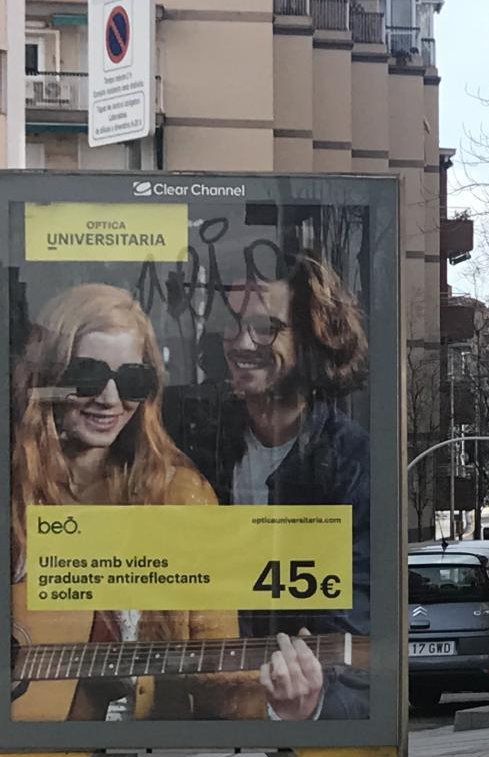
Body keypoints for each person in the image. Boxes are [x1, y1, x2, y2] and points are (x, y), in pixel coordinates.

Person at [9, 285, 311, 721]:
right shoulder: (13, 488)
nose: (110, 400)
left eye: (133, 380)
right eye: (88, 375)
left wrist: (280, 703)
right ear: (49, 377)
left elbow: (215, 669)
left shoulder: (179, 498)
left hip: (144, 752)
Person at [175, 256, 372, 719]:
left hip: (286, 710)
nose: (242, 343)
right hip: (198, 703)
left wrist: (309, 699)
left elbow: (354, 632)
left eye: (266, 328)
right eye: (232, 324)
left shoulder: (351, 463)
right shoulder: (197, 440)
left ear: (311, 338)